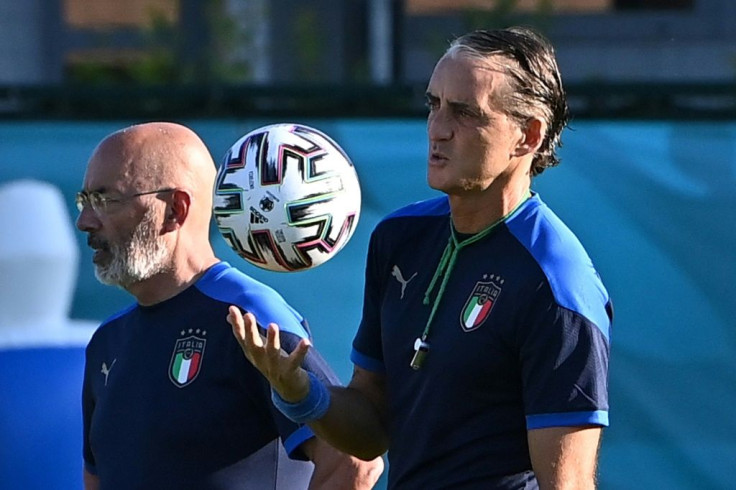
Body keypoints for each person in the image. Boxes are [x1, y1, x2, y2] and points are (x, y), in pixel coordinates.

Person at [228, 26, 613, 489]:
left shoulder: (556, 283)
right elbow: (371, 430)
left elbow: (566, 484)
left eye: (465, 113)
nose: (438, 129)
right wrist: (300, 394)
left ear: (527, 136)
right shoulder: (399, 238)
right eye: (433, 105)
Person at [75, 122, 383, 490]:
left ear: (175, 209)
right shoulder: (107, 342)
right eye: (85, 201)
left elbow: (355, 462)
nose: (84, 221)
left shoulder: (250, 317)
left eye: (105, 200)